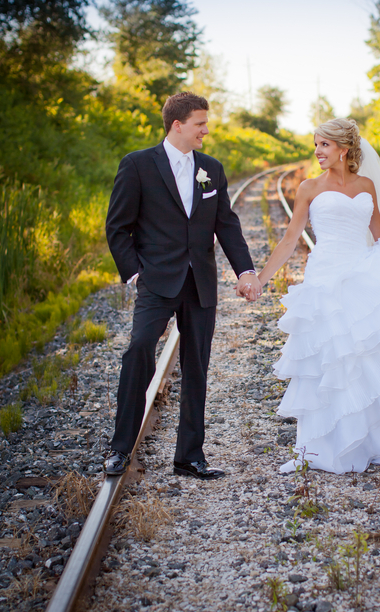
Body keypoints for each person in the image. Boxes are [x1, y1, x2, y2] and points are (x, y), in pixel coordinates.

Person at [255, 118, 380, 474]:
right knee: (339, 356)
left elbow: (379, 234)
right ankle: (337, 439)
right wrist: (260, 279)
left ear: (343, 149)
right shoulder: (309, 188)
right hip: (328, 275)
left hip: (364, 267)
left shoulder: (366, 185)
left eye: (324, 145)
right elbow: (290, 240)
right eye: (316, 145)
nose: (317, 152)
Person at [104, 92, 262, 478]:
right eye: (200, 124)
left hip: (200, 282)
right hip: (156, 280)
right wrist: (136, 273)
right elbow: (117, 227)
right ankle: (120, 449)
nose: (205, 131)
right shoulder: (138, 165)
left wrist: (245, 271)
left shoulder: (211, 168)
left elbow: (226, 223)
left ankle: (190, 456)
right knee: (139, 348)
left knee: (197, 367)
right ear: (178, 125)